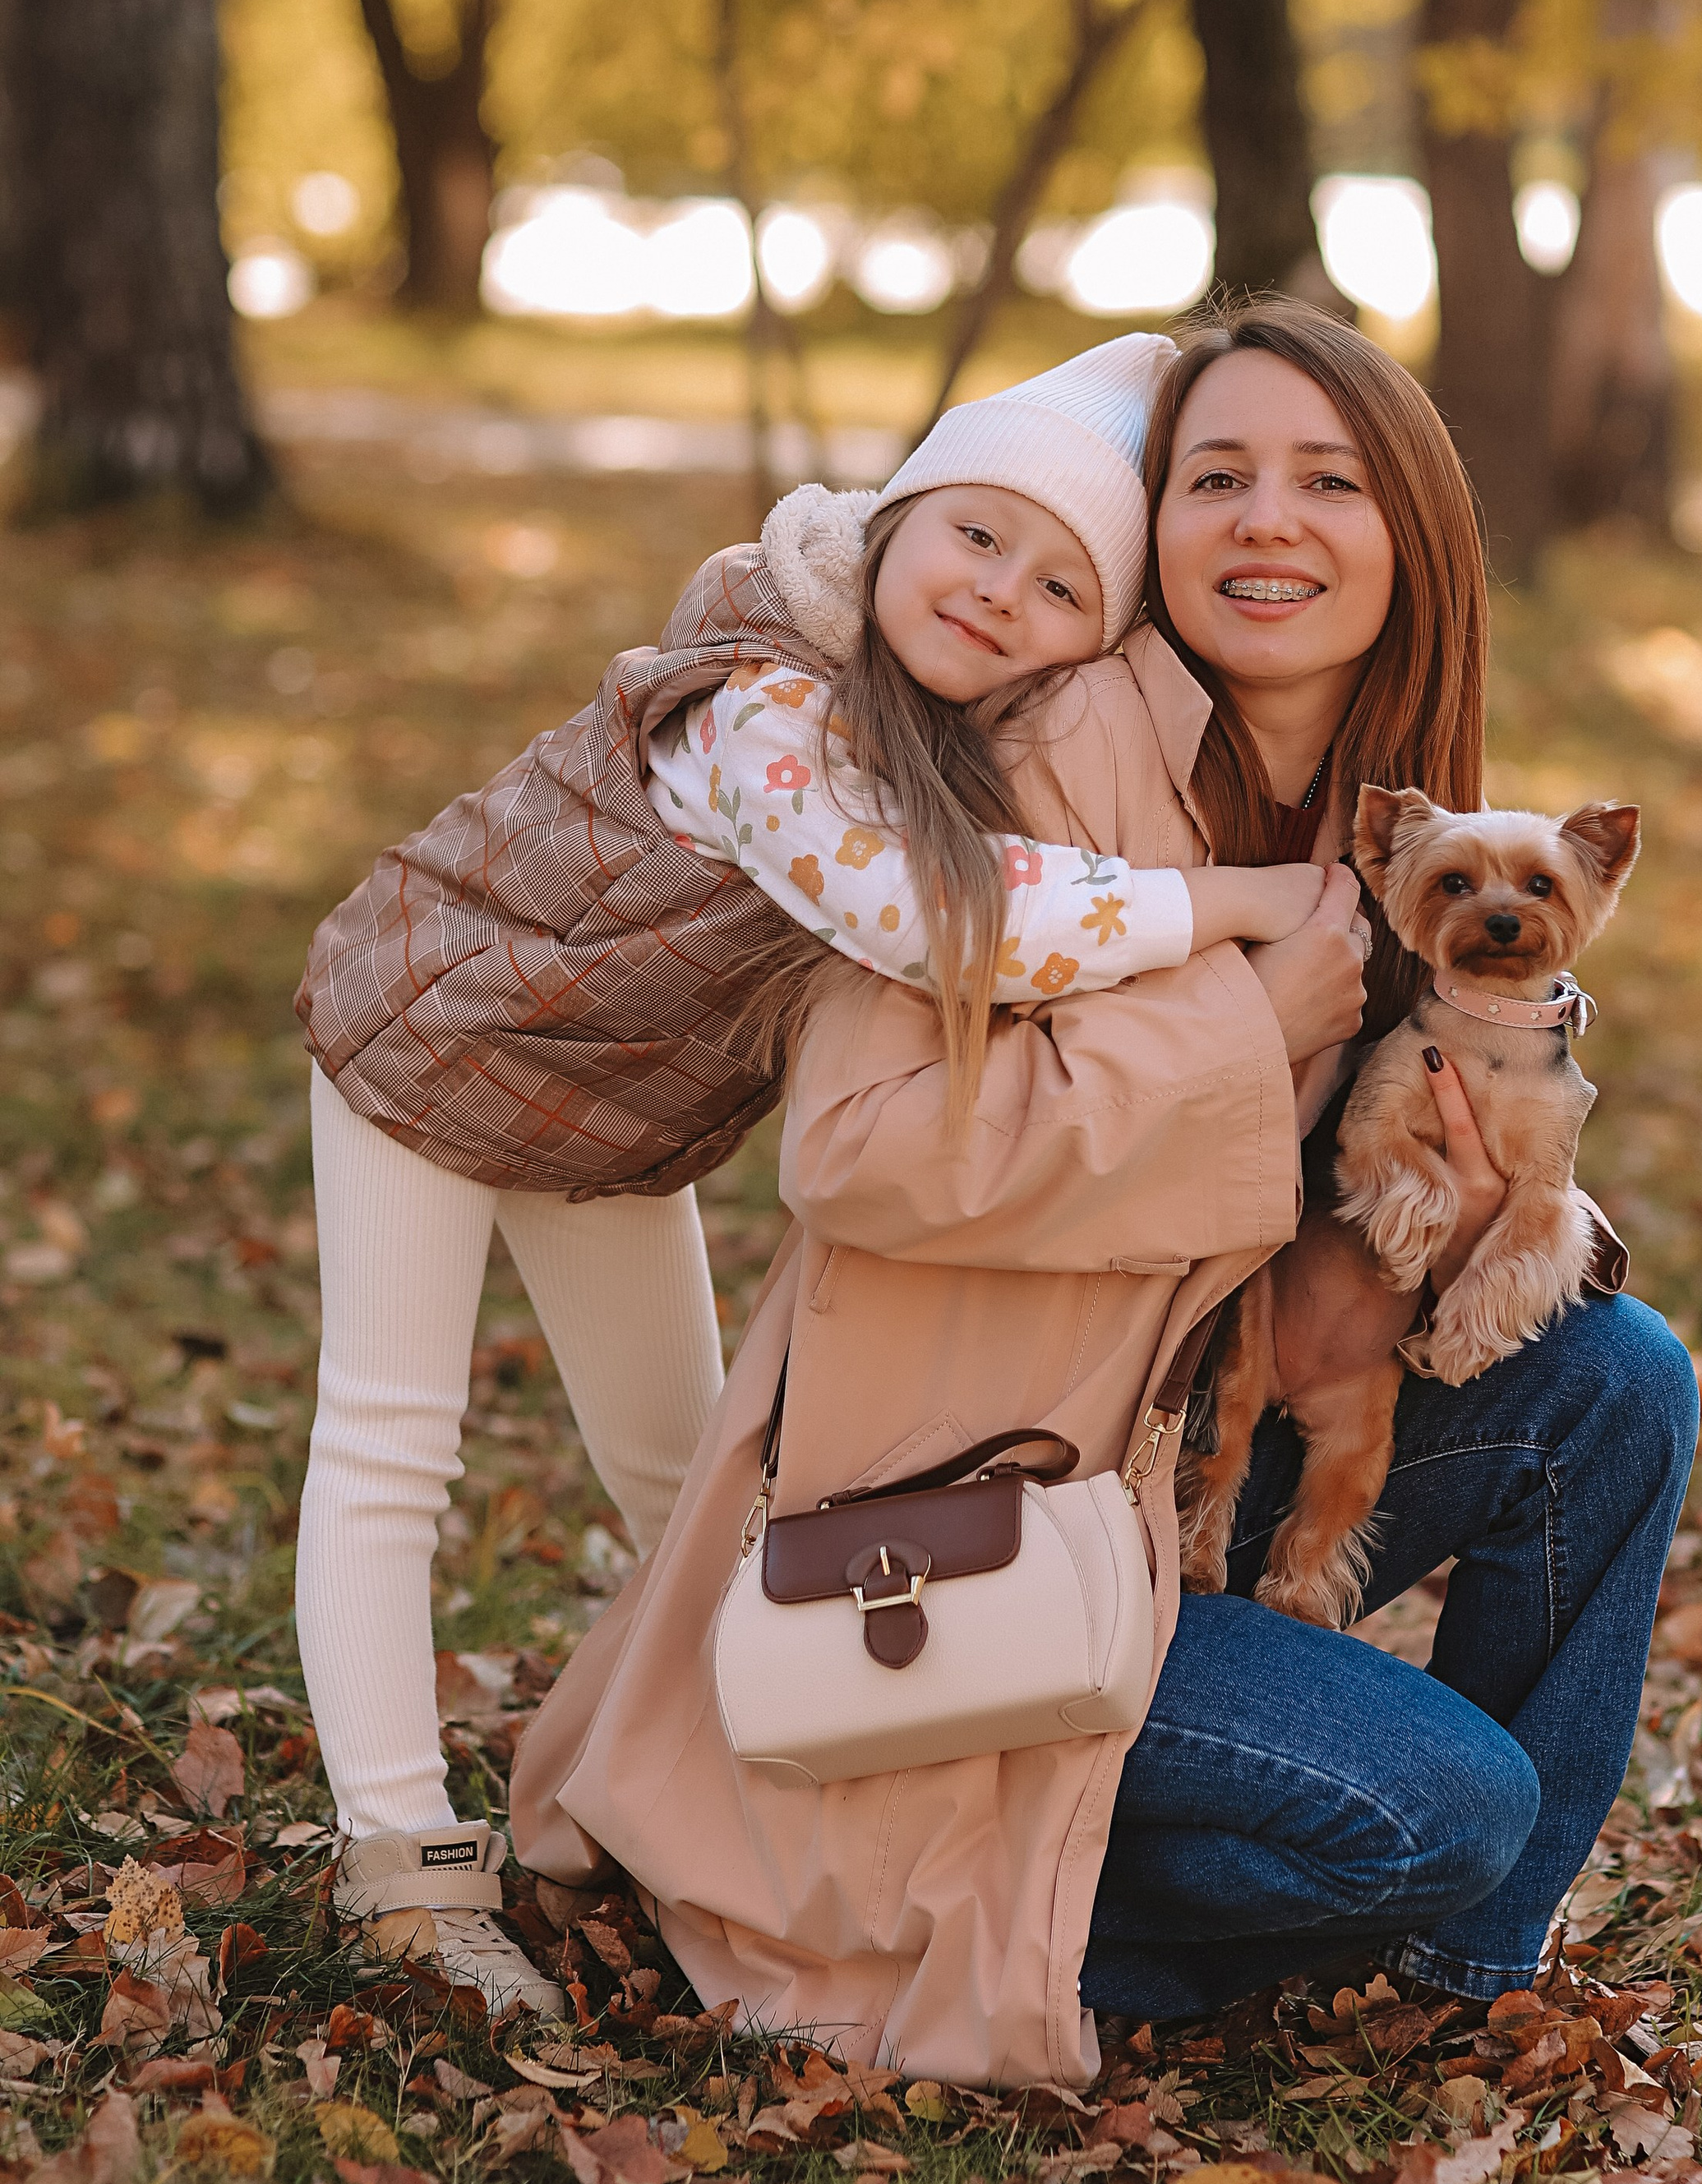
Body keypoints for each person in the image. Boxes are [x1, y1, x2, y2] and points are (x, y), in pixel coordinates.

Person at [511, 296, 1697, 2085]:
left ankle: (1459, 1967)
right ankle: (937, 1909)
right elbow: (856, 1147)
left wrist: (1431, 1232)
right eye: (1213, 476)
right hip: (980, 1522)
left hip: (1189, 1470)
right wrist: (1240, 1026)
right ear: (1155, 527)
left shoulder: (1391, 844)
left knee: (1620, 1385)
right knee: (1443, 1802)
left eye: (1326, 480)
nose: (1265, 520)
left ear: (1413, 538)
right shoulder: (1037, 755)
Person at [293, 335, 1315, 2014]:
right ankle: (401, 1865)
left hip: (613, 1107)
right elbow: (928, 911)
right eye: (977, 535)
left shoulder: (938, 724)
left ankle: (706, 1787)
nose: (998, 595)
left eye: (1061, 587)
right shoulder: (764, 695)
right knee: (393, 1440)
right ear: (899, 511)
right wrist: (1230, 912)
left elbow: (988, 869)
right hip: (436, 1039)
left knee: (684, 1471)